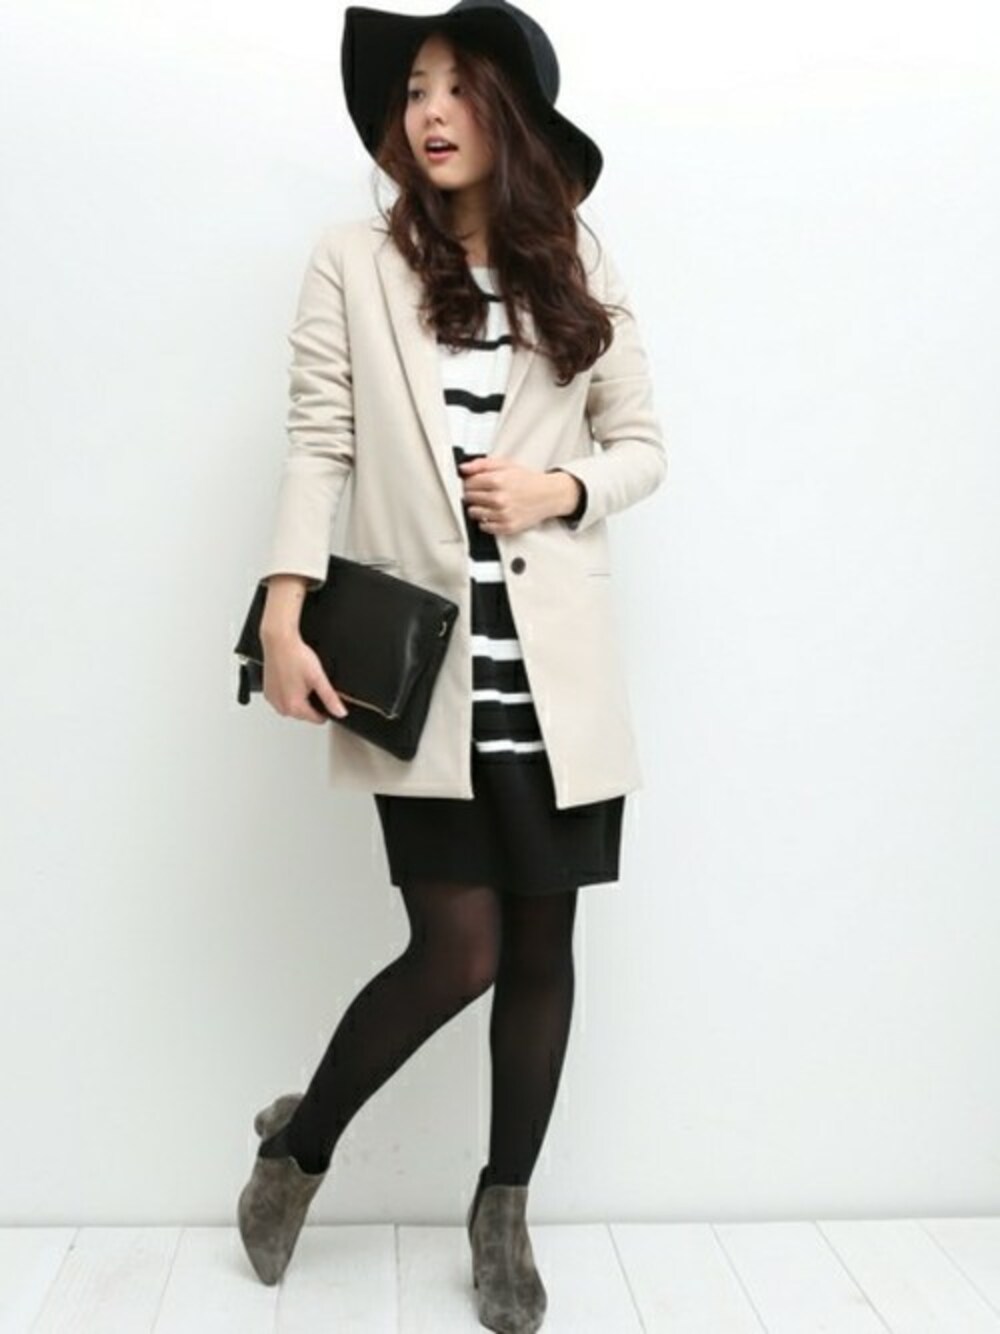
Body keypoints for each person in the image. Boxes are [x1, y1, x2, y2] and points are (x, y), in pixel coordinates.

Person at [236, 3, 666, 1331]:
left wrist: (559, 488)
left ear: (511, 116)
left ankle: (503, 1208)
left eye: (459, 88)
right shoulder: (352, 262)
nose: (429, 112)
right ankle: (301, 1143)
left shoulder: (576, 255)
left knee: (543, 946)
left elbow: (643, 444)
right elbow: (321, 440)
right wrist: (284, 613)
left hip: (557, 674)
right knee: (457, 949)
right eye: (414, 89)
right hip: (423, 676)